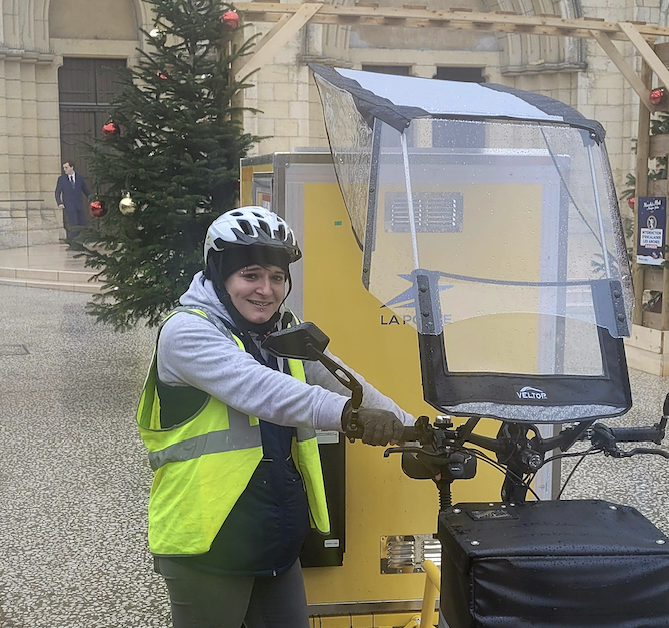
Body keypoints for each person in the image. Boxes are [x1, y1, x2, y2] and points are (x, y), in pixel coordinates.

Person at [136, 206, 412, 628]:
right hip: (208, 543)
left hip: (273, 534)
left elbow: (345, 381)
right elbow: (262, 391)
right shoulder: (187, 332)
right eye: (250, 275)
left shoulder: (281, 331)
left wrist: (412, 427)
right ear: (219, 276)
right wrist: (350, 419)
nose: (266, 290)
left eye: (277, 277)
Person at [54, 161, 91, 248]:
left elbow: (85, 190)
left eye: (66, 167)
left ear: (71, 167)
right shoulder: (61, 179)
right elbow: (57, 192)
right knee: (74, 223)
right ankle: (74, 243)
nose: (64, 170)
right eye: (64, 168)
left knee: (82, 223)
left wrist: (92, 198)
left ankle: (74, 240)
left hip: (79, 204)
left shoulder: (80, 178)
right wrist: (59, 202)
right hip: (69, 205)